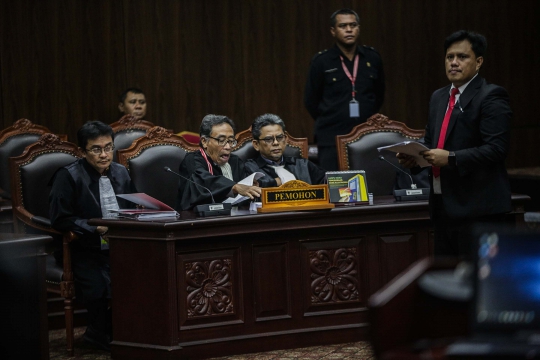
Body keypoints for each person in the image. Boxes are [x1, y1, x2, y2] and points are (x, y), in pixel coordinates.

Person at [397, 30, 512, 258]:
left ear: (478, 62)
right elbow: (431, 144)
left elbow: (496, 149)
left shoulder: (491, 96)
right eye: (450, 57)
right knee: (447, 280)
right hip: (443, 208)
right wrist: (415, 160)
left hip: (478, 210)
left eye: (462, 57)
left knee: (475, 286)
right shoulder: (438, 97)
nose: (454, 63)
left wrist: (451, 158)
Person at [49, 121, 137, 351]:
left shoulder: (120, 172)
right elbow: (60, 218)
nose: (104, 154)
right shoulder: (68, 176)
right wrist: (93, 228)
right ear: (82, 151)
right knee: (98, 285)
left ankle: (112, 329)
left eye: (109, 147)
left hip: (119, 245)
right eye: (96, 149)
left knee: (142, 276)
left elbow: (132, 206)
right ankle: (98, 334)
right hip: (82, 247)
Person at [304, 8, 385, 171]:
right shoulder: (322, 61)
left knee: (368, 186)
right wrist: (332, 116)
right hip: (331, 136)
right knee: (335, 186)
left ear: (359, 28)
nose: (349, 29)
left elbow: (379, 95)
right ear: (333, 31)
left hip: (365, 135)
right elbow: (311, 100)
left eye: (353, 25)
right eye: (343, 26)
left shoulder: (372, 58)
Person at [175, 114, 261, 210]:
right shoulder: (192, 161)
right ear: (204, 141)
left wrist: (251, 188)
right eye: (221, 140)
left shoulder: (235, 161)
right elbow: (203, 182)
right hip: (201, 220)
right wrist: (234, 187)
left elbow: (244, 191)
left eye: (231, 141)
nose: (228, 147)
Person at [245, 113, 326, 187]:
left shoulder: (302, 164)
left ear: (286, 139)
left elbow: (328, 182)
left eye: (280, 137)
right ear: (256, 144)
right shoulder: (249, 168)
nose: (276, 143)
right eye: (268, 139)